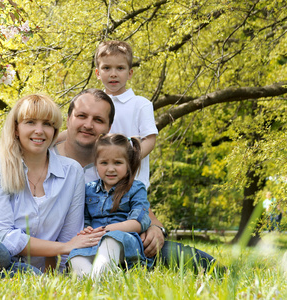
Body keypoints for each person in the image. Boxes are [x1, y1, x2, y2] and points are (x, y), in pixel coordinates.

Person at [55, 89, 224, 273]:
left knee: (183, 257)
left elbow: (146, 214)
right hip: (77, 248)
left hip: (122, 243)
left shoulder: (115, 168)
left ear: (108, 128)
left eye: (98, 120)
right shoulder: (46, 158)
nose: (88, 125)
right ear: (68, 118)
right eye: (81, 116)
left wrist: (156, 230)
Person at [0, 94, 106, 274]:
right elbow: (3, 236)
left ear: (55, 131)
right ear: (16, 129)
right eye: (30, 122)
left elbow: (70, 237)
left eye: (47, 124)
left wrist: (59, 273)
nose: (39, 130)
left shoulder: (72, 172)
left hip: (21, 266)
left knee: (31, 273)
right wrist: (64, 247)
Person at [69, 134, 154, 278]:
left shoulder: (136, 188)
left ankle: (100, 275)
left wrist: (106, 230)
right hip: (94, 242)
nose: (110, 169)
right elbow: (85, 220)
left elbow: (138, 222)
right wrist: (87, 229)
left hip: (123, 241)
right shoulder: (88, 189)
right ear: (96, 163)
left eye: (117, 163)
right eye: (104, 163)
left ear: (128, 164)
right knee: (75, 257)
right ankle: (96, 280)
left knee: (110, 240)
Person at [94, 40, 158, 189]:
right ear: (98, 73)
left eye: (120, 68)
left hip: (132, 184)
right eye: (107, 68)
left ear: (130, 73)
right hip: (100, 185)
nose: (113, 74)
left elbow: (150, 140)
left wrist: (128, 160)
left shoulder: (141, 104)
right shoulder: (94, 104)